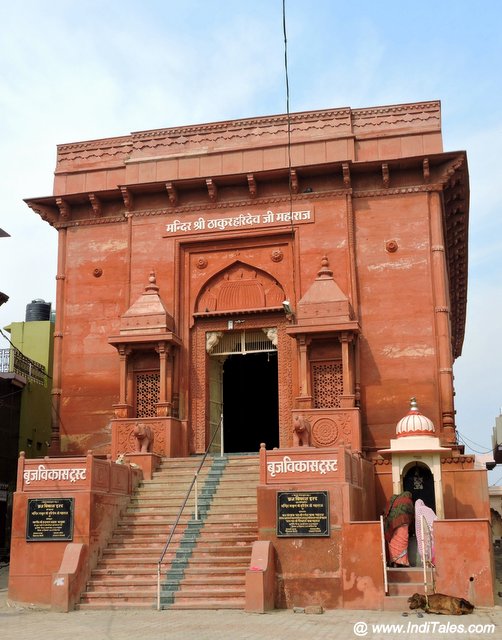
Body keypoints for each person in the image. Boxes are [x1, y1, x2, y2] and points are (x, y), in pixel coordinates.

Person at [384, 491, 414, 567]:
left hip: (391, 524)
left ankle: (394, 562)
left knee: (393, 542)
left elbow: (386, 510)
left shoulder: (394, 500)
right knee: (402, 541)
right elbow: (410, 515)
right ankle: (402, 562)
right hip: (403, 525)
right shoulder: (408, 501)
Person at [414, 498, 438, 565]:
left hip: (423, 533)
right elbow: (434, 519)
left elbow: (418, 527)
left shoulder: (418, 511)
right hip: (431, 529)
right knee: (432, 545)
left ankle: (427, 562)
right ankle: (433, 562)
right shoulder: (427, 510)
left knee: (424, 546)